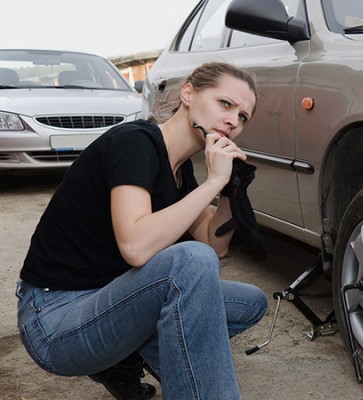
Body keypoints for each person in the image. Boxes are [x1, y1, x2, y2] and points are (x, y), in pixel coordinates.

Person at [16, 62, 268, 400]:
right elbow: (135, 246)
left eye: (243, 117)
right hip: (54, 318)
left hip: (110, 297)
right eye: (226, 104)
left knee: (251, 302)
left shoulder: (182, 173)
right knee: (190, 263)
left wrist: (229, 190)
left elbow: (214, 243)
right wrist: (212, 184)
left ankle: (126, 356)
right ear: (188, 93)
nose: (233, 122)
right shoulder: (135, 143)